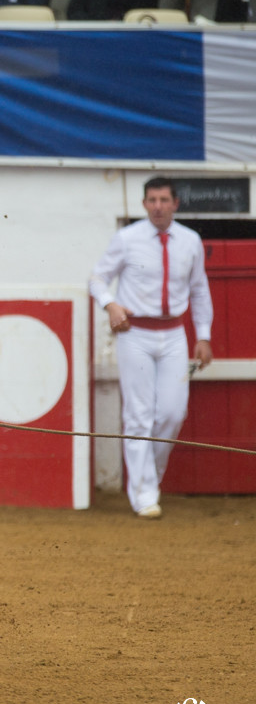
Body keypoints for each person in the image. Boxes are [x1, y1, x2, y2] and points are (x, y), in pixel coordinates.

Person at [89, 177, 213, 519]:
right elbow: (97, 278)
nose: (157, 205)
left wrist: (203, 335)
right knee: (139, 414)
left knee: (172, 413)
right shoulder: (127, 239)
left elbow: (200, 290)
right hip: (136, 333)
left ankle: (150, 480)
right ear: (144, 204)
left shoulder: (190, 241)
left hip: (174, 334)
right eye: (151, 200)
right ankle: (143, 493)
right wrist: (111, 305)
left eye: (163, 199)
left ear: (175, 203)